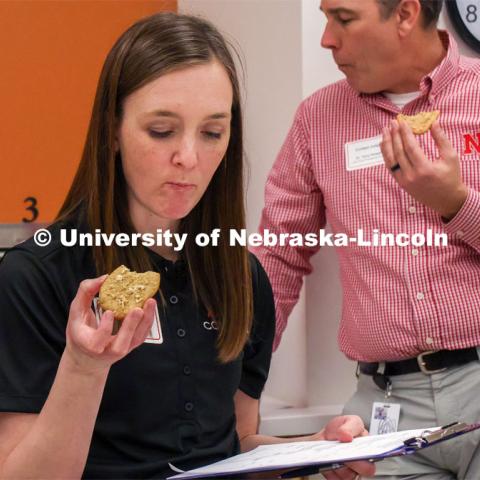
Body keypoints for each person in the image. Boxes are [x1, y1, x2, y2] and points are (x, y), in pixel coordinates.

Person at [0, 12, 374, 480]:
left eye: (213, 133)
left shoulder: (242, 276)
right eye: (161, 131)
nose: (189, 158)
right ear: (112, 130)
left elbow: (236, 446)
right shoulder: (35, 275)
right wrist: (83, 367)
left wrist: (313, 451)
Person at [255, 0, 480, 478]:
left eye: (343, 18)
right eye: (324, 18)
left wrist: (454, 202)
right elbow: (278, 255)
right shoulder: (317, 119)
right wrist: (229, 378)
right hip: (386, 409)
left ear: (404, 13)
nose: (327, 39)